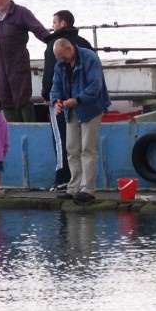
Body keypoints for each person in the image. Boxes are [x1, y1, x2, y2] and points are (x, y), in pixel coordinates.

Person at [50, 38, 111, 205]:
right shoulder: (60, 64)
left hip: (90, 109)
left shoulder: (90, 58)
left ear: (70, 49)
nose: (61, 61)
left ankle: (88, 189)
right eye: (59, 58)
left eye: (63, 57)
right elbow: (55, 86)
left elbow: (95, 86)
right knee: (72, 149)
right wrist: (56, 101)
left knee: (88, 149)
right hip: (71, 109)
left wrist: (77, 100)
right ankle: (73, 188)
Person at [0, 0, 51, 123]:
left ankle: (29, 129)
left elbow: (38, 29)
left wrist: (51, 42)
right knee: (4, 98)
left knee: (22, 98)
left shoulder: (21, 12)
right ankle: (11, 129)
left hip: (18, 62)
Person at [41, 10, 94, 191]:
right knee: (85, 146)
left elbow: (50, 74)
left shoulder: (54, 45)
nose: (52, 25)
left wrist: (49, 96)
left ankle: (63, 177)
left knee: (62, 140)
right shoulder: (85, 44)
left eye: (54, 22)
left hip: (65, 102)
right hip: (85, 102)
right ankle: (83, 184)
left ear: (62, 23)